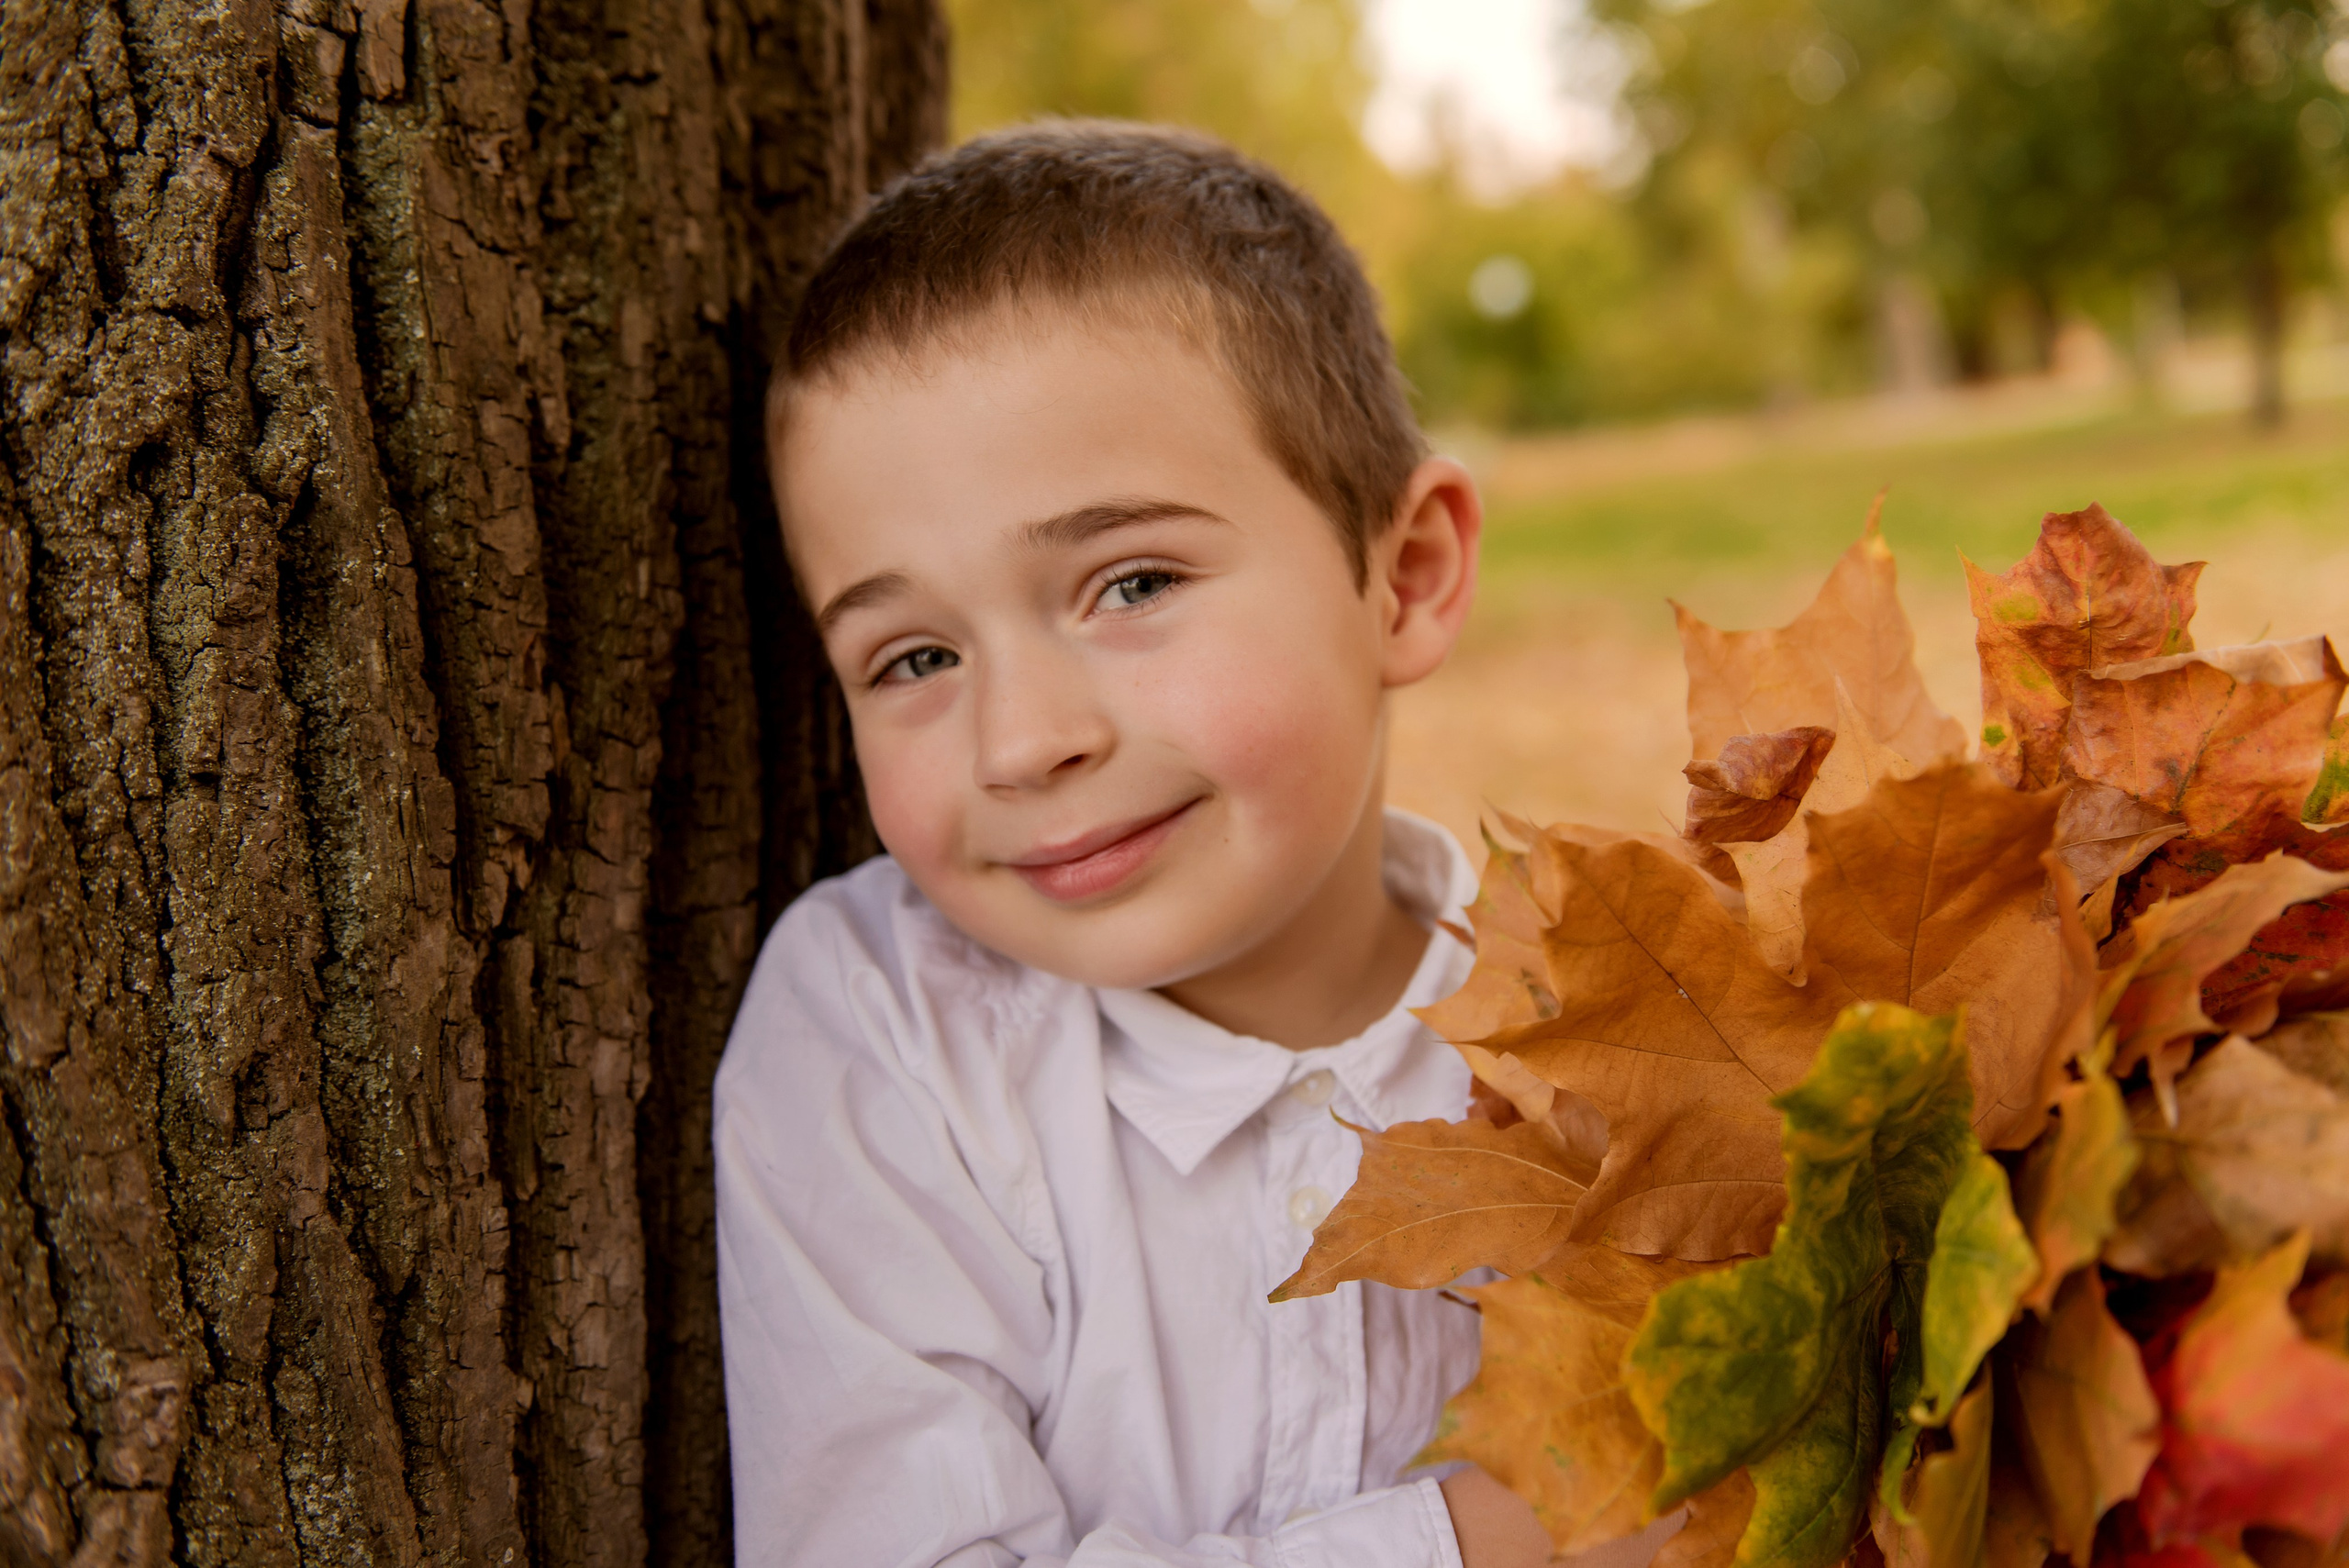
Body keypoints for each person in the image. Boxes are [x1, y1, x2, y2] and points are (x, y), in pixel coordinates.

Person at [716, 120, 1664, 1568]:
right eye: (912, 659)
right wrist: (1479, 1548)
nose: (1023, 740)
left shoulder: (1630, 1043)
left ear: (1403, 578)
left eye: (1131, 581)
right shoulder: (885, 1029)